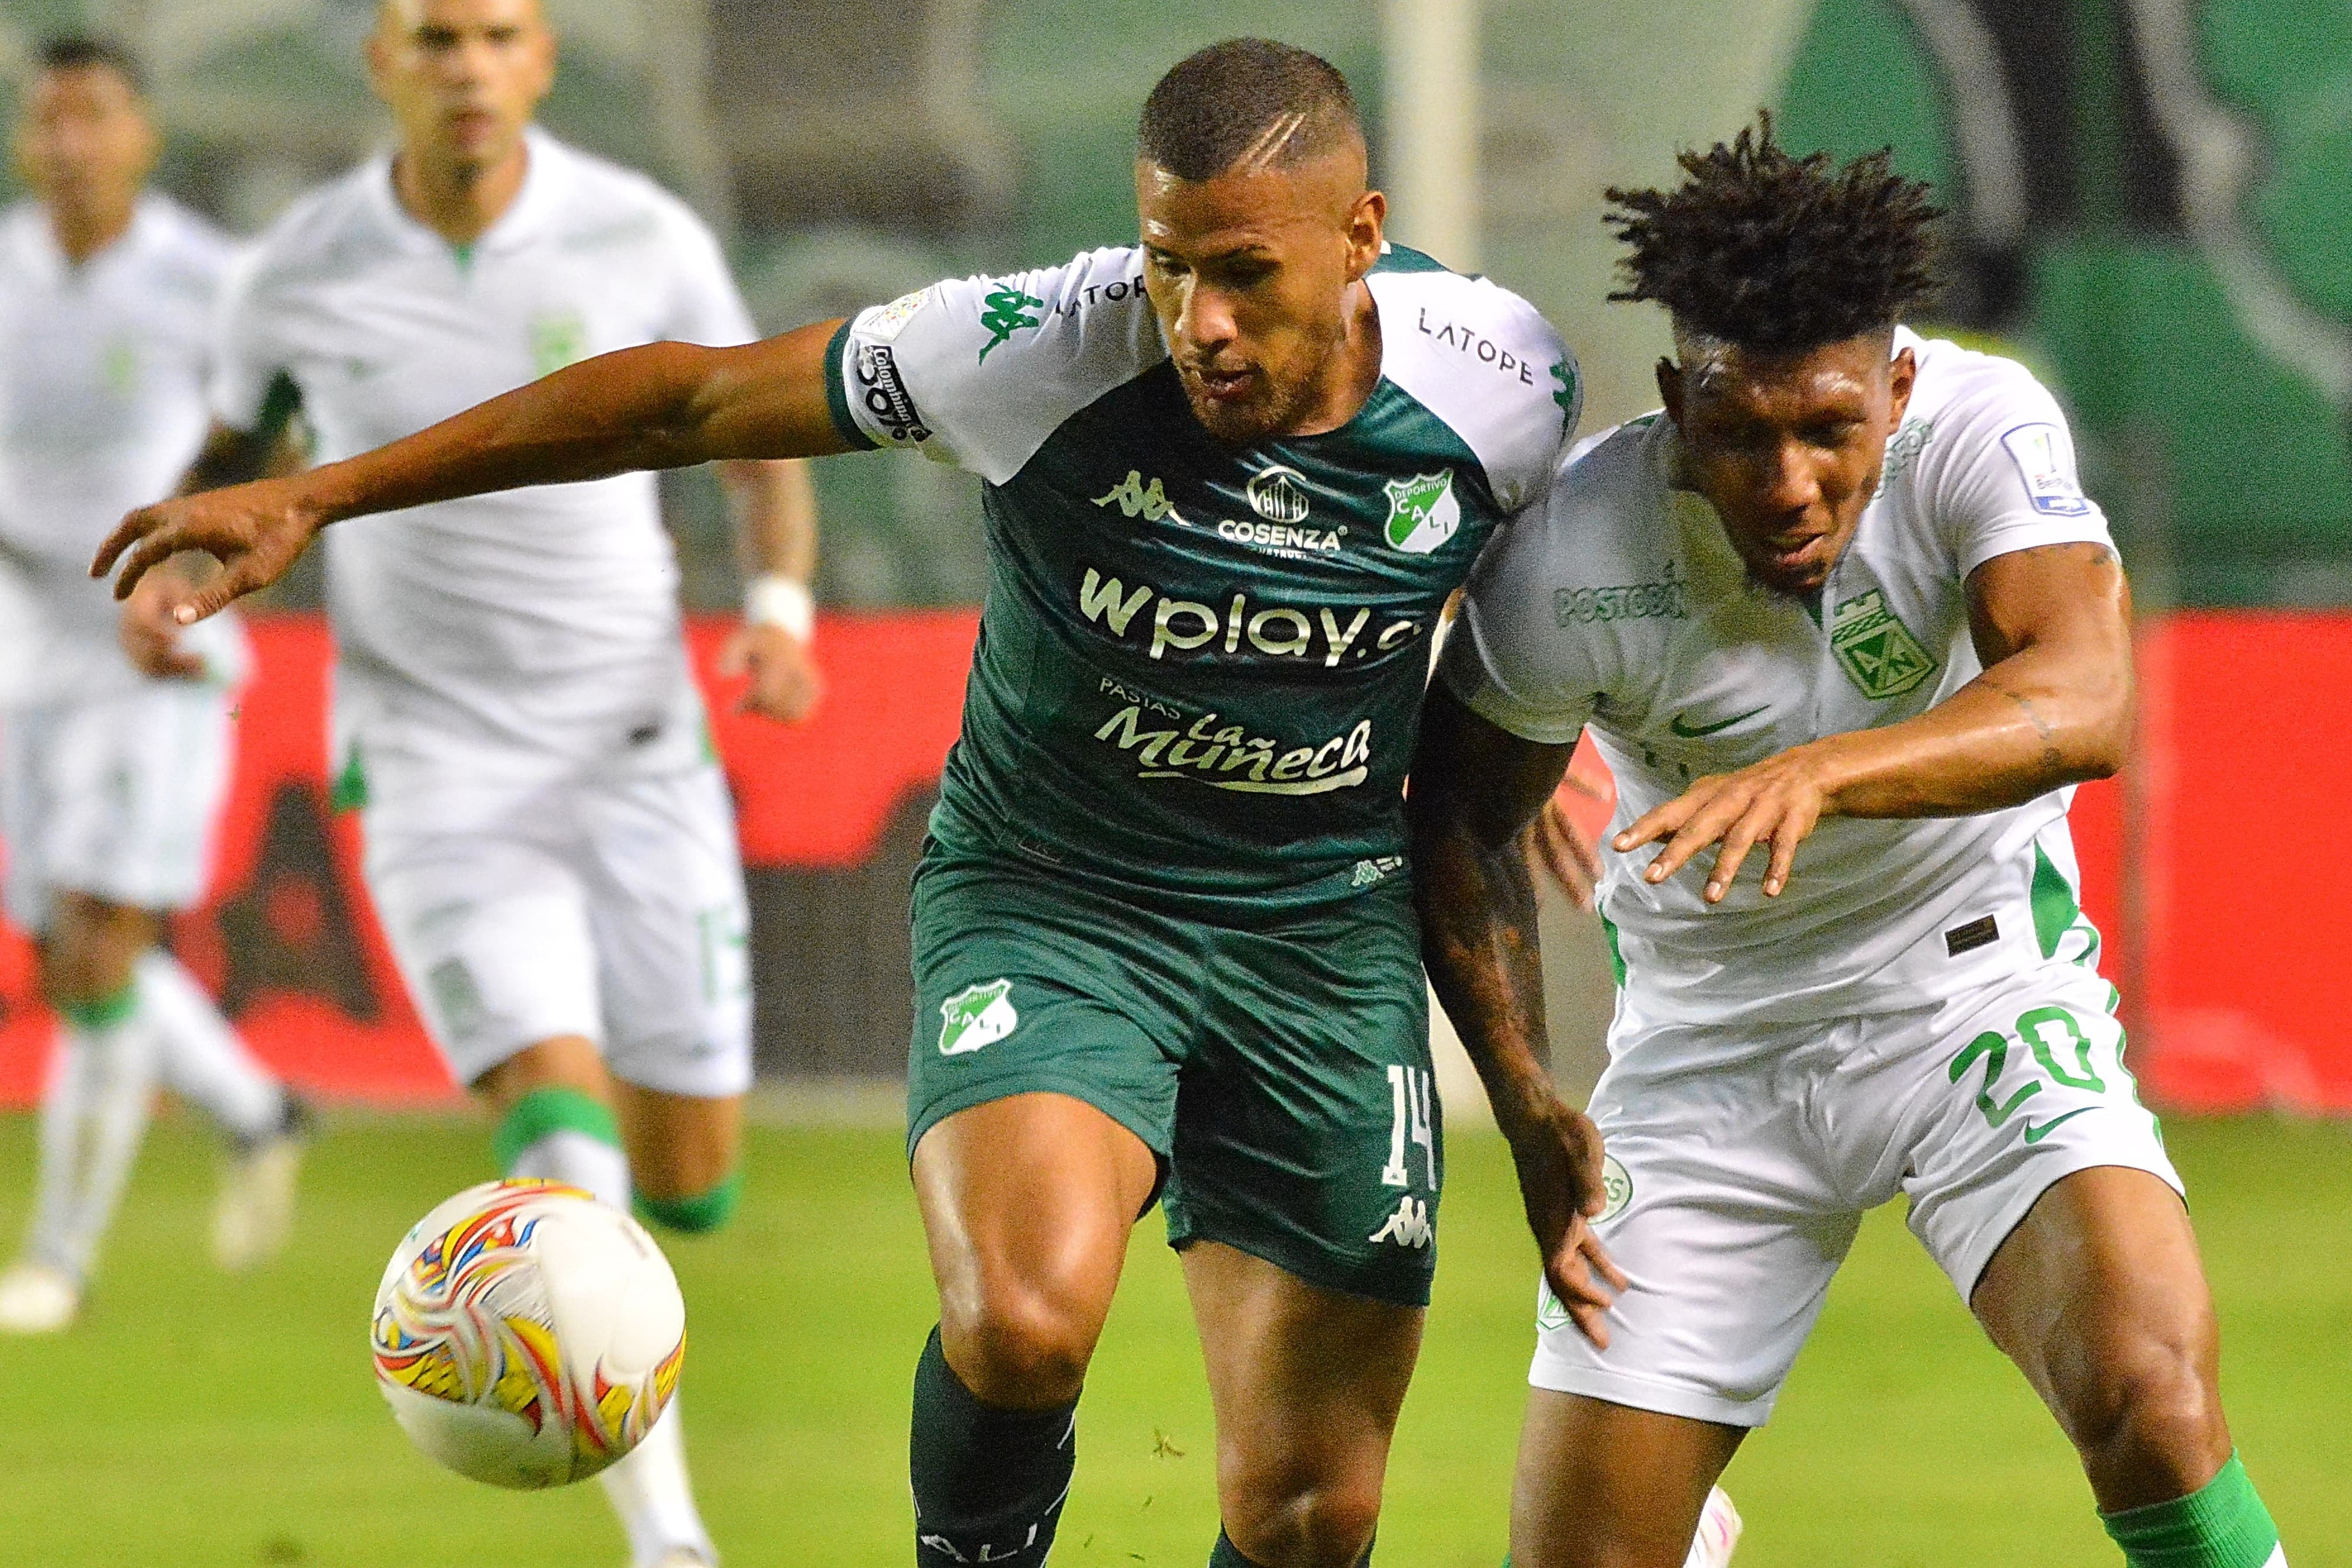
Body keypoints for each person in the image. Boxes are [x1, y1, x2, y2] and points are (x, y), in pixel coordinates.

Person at [92, 36, 1614, 1568]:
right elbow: (688, 405)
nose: (1198, 322)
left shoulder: (1501, 379)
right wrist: (324, 491)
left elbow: (1515, 609)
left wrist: (1528, 743)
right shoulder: (1037, 346)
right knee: (1022, 1320)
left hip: (1318, 935)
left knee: (1311, 1513)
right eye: (1167, 265)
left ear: (1362, 237)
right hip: (1059, 899)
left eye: (1243, 273)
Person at [1411, 121, 2287, 1568]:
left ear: (1894, 385)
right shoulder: (1574, 545)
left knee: (2149, 1391)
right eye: (1738, 429)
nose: (1788, 481)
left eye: (1828, 429)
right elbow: (1452, 821)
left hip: (1970, 996)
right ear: (1671, 401)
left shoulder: (1980, 426)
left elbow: (2081, 695)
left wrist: (1822, 773)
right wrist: (1523, 1098)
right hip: (1705, 1048)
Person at [113, 3, 821, 1564]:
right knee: (562, 1138)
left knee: (687, 1186)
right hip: (436, 765)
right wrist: (171, 575)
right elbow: (236, 452)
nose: (467, 67)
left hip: (639, 753)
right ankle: (673, 1538)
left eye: (497, 33)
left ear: (542, 61)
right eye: (434, 36)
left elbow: (754, 434)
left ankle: (640, 1373)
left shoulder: (638, 234)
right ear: (384, 63)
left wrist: (777, 611)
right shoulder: (296, 265)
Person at [0, 36, 307, 1336]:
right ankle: (260, 1109)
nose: (70, 142)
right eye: (47, 119)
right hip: (26, 639)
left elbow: (279, 446)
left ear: (144, 133)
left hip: (157, 644)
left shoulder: (209, 280)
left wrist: (191, 573)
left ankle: (57, 1259)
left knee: (96, 938)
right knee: (72, 962)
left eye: (95, 117)